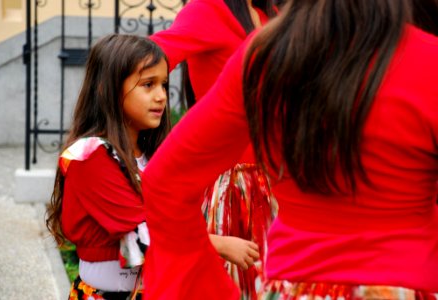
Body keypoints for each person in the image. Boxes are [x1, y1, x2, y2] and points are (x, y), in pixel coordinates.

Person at [142, 0, 438, 299]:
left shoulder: (267, 54)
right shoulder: (429, 60)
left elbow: (166, 181)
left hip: (293, 285)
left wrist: (212, 290)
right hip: (405, 282)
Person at [150, 1, 278, 298]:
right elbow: (146, 58)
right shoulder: (207, 8)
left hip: (279, 186)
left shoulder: (273, 12)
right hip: (231, 188)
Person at [44, 34, 170, 299]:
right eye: (148, 85)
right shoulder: (87, 156)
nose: (161, 96)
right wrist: (218, 245)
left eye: (164, 85)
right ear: (107, 88)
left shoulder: (153, 156)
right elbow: (142, 230)